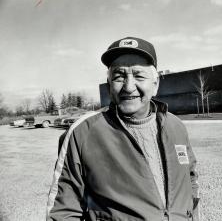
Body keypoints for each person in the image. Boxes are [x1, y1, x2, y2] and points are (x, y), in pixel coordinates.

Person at [46, 37, 199, 221]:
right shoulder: (83, 133)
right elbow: (62, 212)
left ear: (155, 84)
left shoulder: (176, 126)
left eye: (139, 75)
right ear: (109, 84)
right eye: (119, 76)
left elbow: (191, 182)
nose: (128, 86)